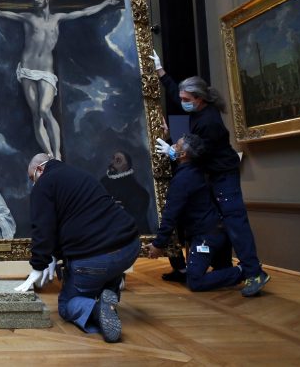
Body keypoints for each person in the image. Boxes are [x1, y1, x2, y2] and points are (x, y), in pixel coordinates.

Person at [151, 50, 270, 297]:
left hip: (223, 174)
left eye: (186, 98)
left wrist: (175, 152)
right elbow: (176, 94)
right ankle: (227, 267)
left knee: (235, 222)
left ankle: (254, 272)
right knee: (223, 221)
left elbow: (198, 152)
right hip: (213, 173)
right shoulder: (197, 110)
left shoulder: (209, 122)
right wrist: (161, 72)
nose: (182, 101)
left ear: (199, 99)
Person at [0, 0, 120, 160]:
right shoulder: (28, 18)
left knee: (44, 110)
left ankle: (57, 153)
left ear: (46, 1)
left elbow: (85, 12)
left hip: (46, 71)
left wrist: (105, 3)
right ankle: (49, 154)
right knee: (36, 114)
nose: (36, 1)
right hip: (28, 69)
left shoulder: (58, 17)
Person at [16, 153, 139, 343]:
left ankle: (97, 310)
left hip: (95, 259)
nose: (33, 183)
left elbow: (43, 228)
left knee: (66, 305)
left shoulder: (44, 183)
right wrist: (54, 255)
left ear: (40, 169)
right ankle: (108, 292)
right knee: (106, 267)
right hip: (129, 247)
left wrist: (38, 264)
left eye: (32, 178)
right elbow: (72, 220)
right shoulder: (79, 175)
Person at [147, 133, 243, 291]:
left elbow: (170, 215)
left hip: (207, 236)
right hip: (219, 233)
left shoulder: (183, 179)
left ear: (183, 154)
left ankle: (244, 270)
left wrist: (158, 244)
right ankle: (238, 271)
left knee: (195, 281)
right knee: (222, 272)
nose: (172, 148)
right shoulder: (197, 169)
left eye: (176, 146)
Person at [99, 150, 151, 234]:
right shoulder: (103, 181)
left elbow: (137, 219)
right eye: (113, 159)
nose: (112, 162)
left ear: (126, 166)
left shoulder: (138, 192)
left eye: (118, 160)